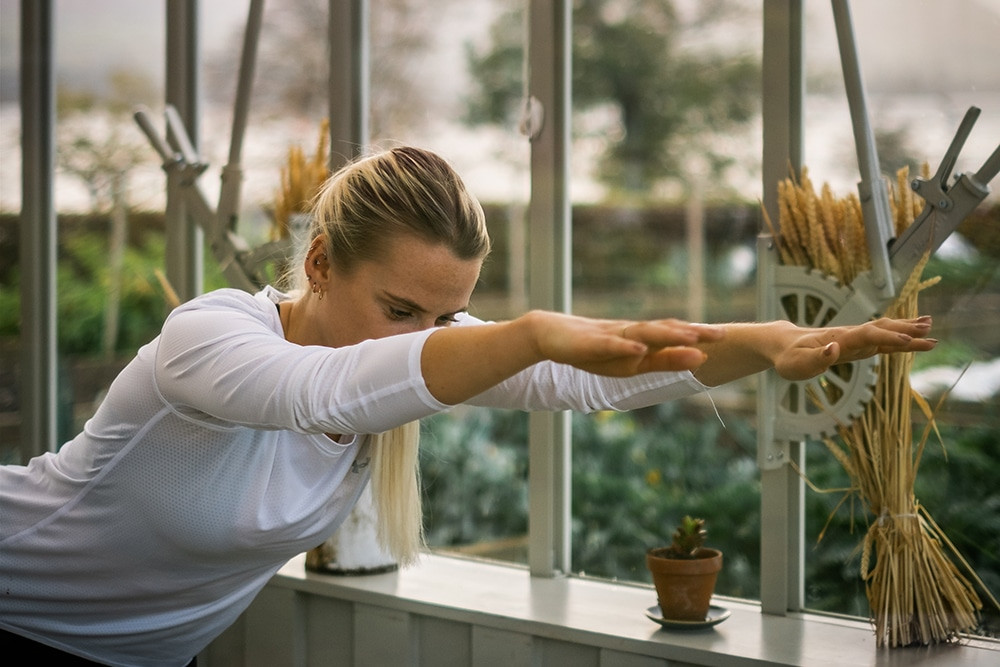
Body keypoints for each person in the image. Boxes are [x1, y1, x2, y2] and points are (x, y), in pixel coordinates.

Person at [0, 146, 936, 666]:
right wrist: (523, 331)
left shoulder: (408, 357)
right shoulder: (209, 340)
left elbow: (584, 376)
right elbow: (310, 392)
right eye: (400, 308)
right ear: (319, 262)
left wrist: (760, 342)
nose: (426, 334)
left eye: (446, 314)